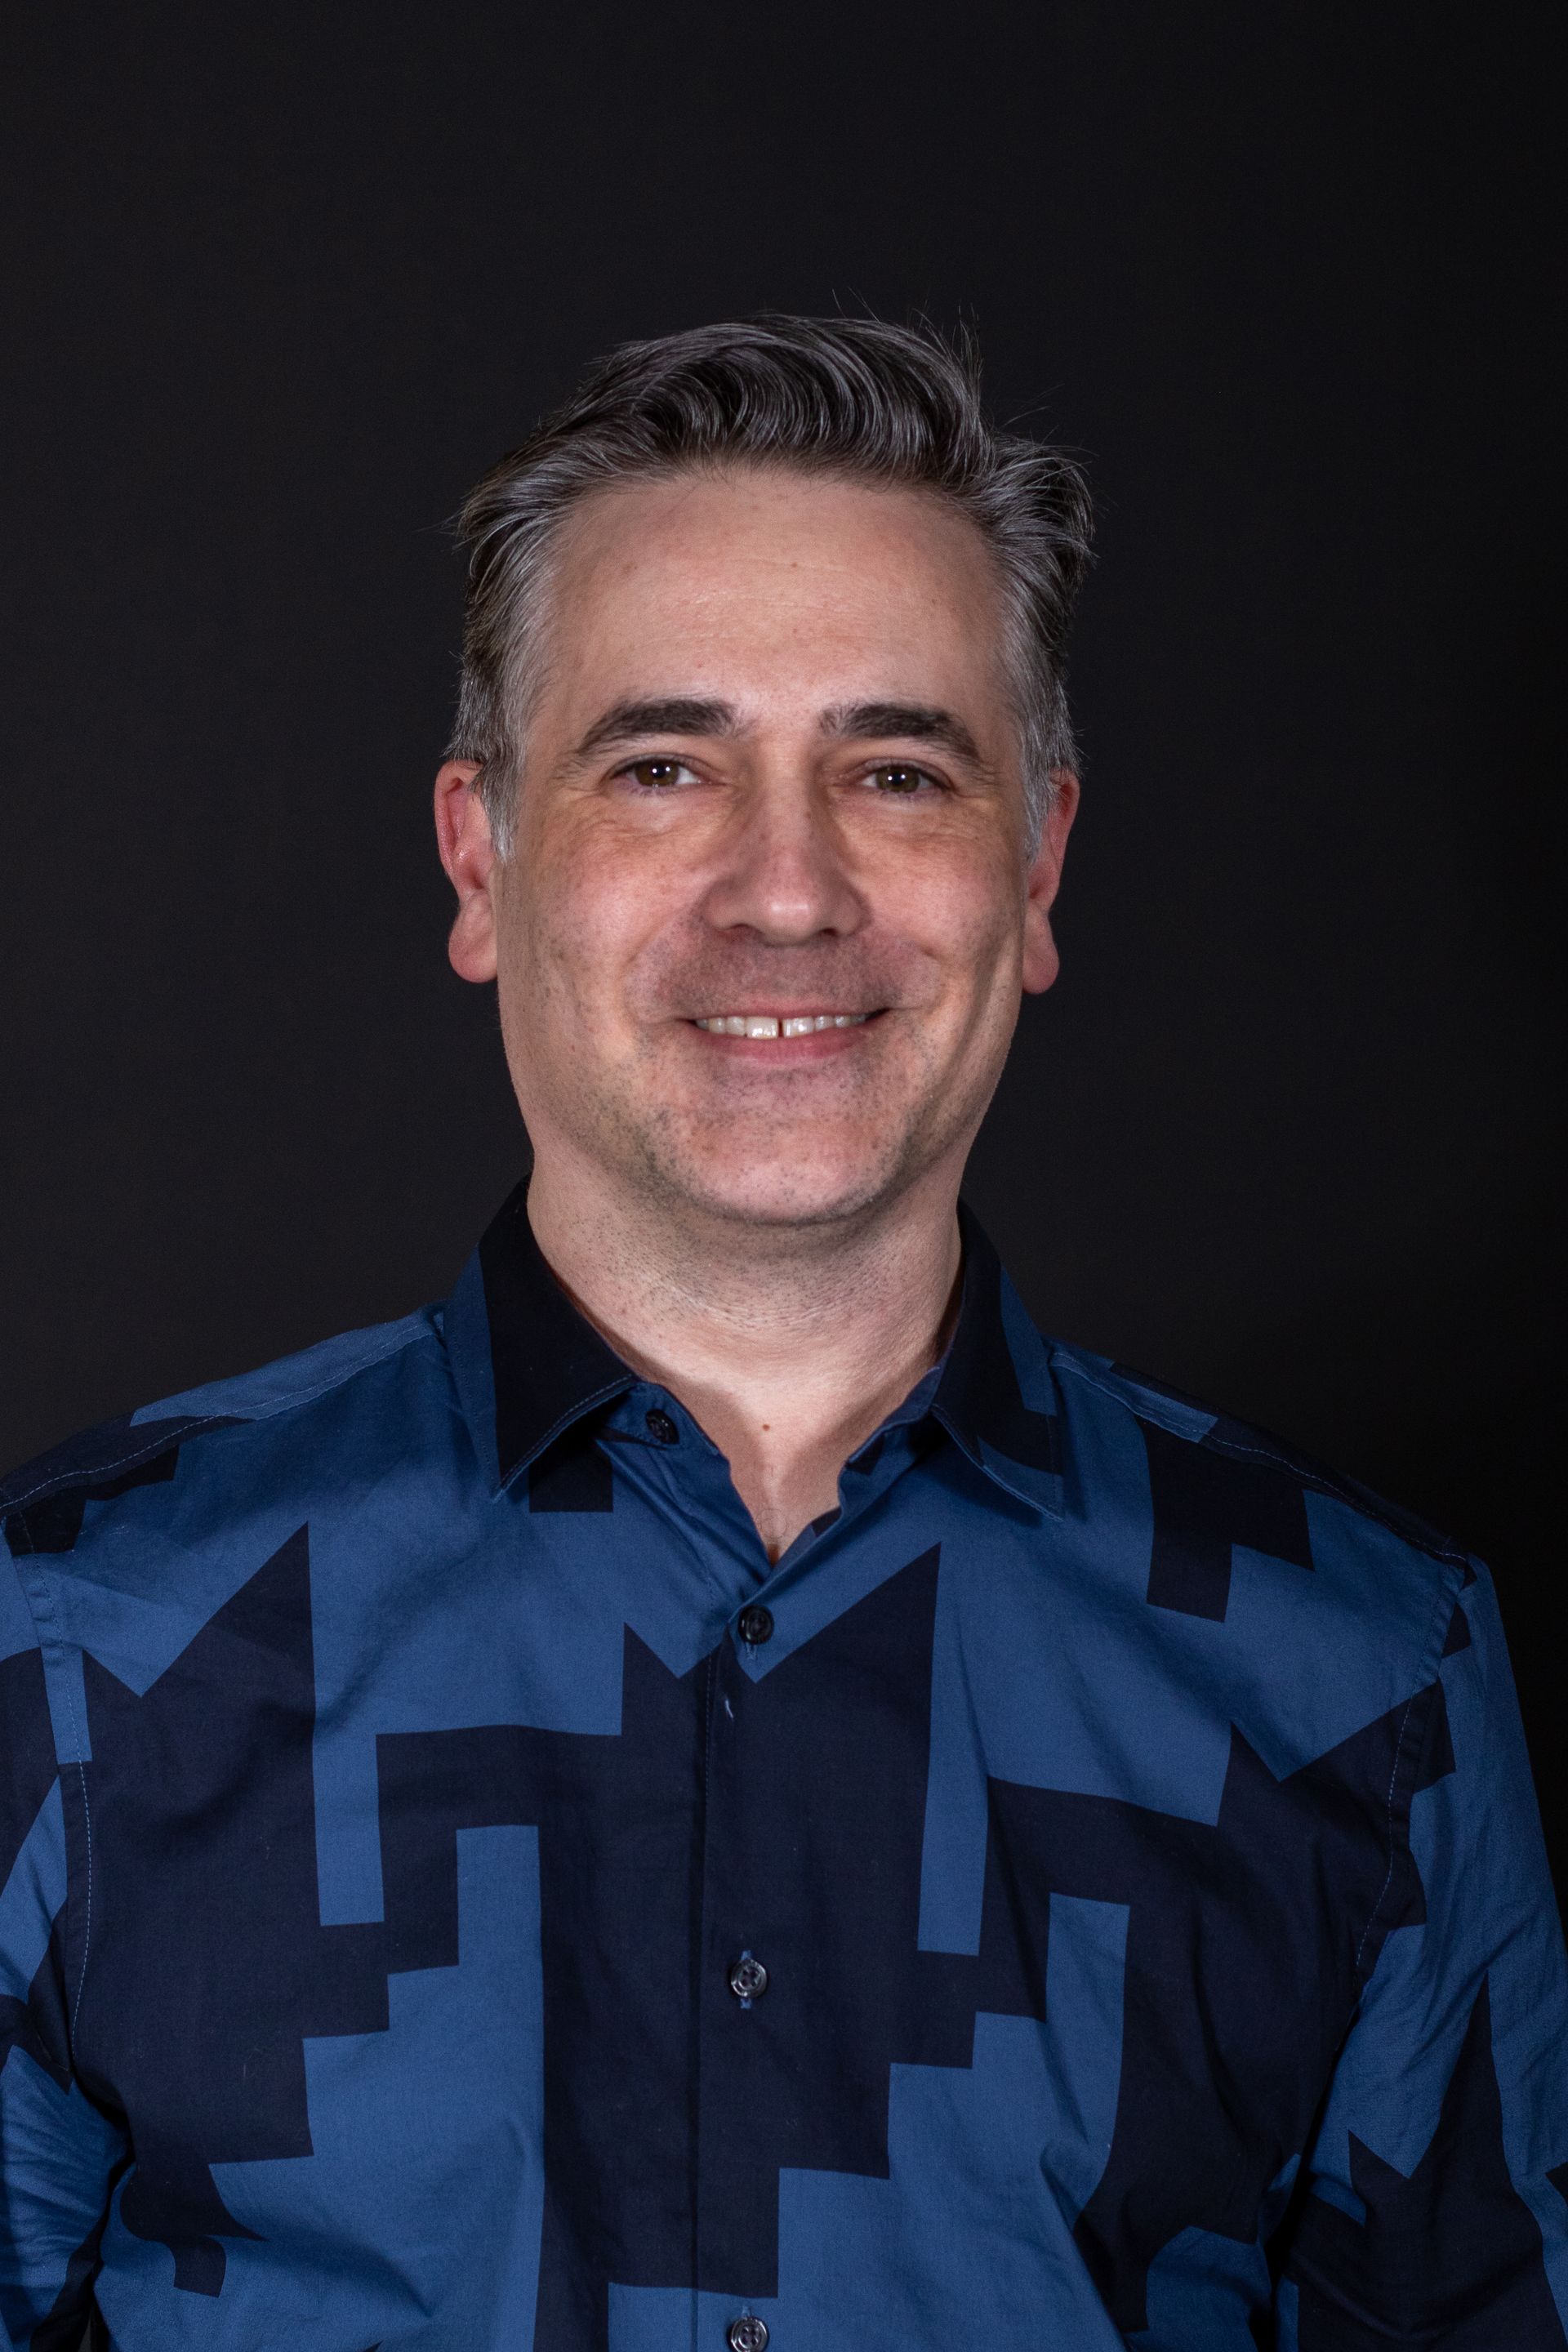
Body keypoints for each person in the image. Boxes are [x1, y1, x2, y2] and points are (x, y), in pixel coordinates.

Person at [1, 316, 1563, 2352]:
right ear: (480, 856)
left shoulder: (1364, 1671)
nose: (788, 889)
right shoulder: (68, 1639)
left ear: (1037, 862)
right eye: (664, 767)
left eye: (896, 772)